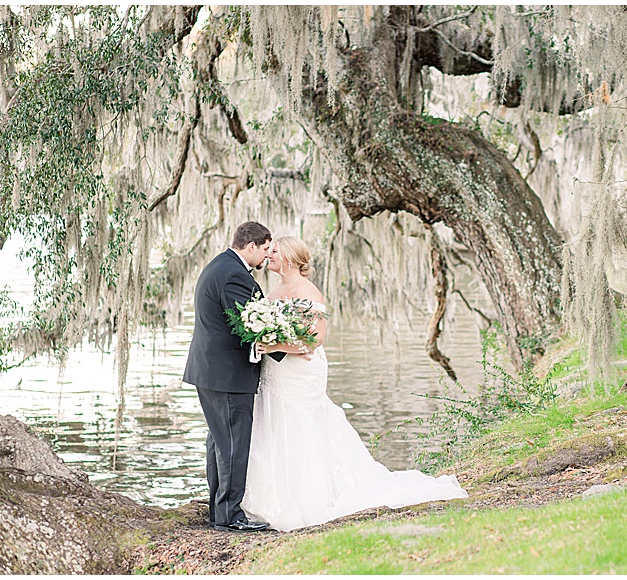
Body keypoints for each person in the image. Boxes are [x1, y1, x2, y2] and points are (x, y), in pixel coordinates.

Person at [241, 236, 468, 532]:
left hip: (300, 372)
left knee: (298, 424)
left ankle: (309, 497)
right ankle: (269, 496)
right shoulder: (274, 289)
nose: (268, 255)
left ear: (291, 258)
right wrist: (266, 340)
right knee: (272, 422)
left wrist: (273, 346)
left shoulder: (308, 291)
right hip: (275, 371)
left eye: (274, 251)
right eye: (268, 251)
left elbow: (316, 338)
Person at [182, 221, 284, 533]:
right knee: (232, 445)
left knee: (219, 442)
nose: (267, 256)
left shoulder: (221, 265)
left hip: (213, 371)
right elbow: (250, 325)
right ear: (250, 246)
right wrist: (285, 349)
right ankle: (230, 516)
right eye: (265, 249)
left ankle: (219, 512)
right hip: (226, 375)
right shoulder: (234, 275)